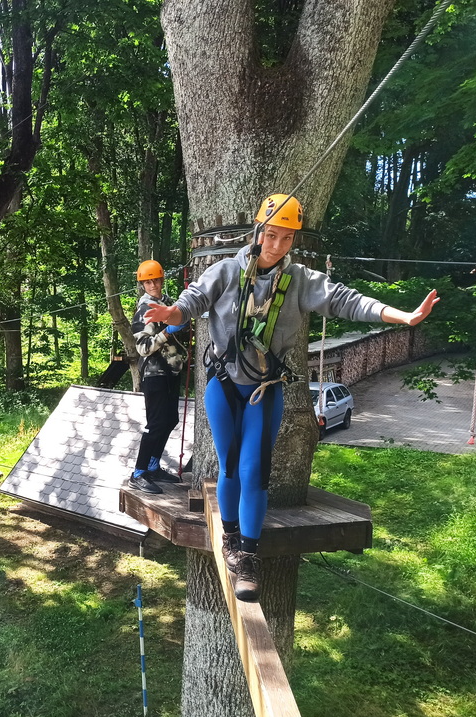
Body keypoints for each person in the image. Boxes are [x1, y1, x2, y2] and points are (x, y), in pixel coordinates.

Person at [143, 194, 438, 602]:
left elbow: (345, 300)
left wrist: (401, 316)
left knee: (255, 471)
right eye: (272, 235)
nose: (277, 245)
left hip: (265, 389)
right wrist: (170, 313)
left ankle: (247, 557)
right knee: (230, 467)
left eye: (287, 238)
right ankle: (230, 538)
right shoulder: (225, 271)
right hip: (223, 385)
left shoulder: (300, 281)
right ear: (258, 232)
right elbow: (191, 304)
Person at [127, 259, 190, 495]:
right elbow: (143, 348)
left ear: (162, 280)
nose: (153, 285)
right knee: (155, 424)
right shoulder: (144, 310)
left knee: (170, 420)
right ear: (143, 285)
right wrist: (167, 332)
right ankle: (138, 473)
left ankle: (153, 466)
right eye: (148, 282)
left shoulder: (167, 304)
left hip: (171, 371)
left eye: (156, 280)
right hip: (154, 373)